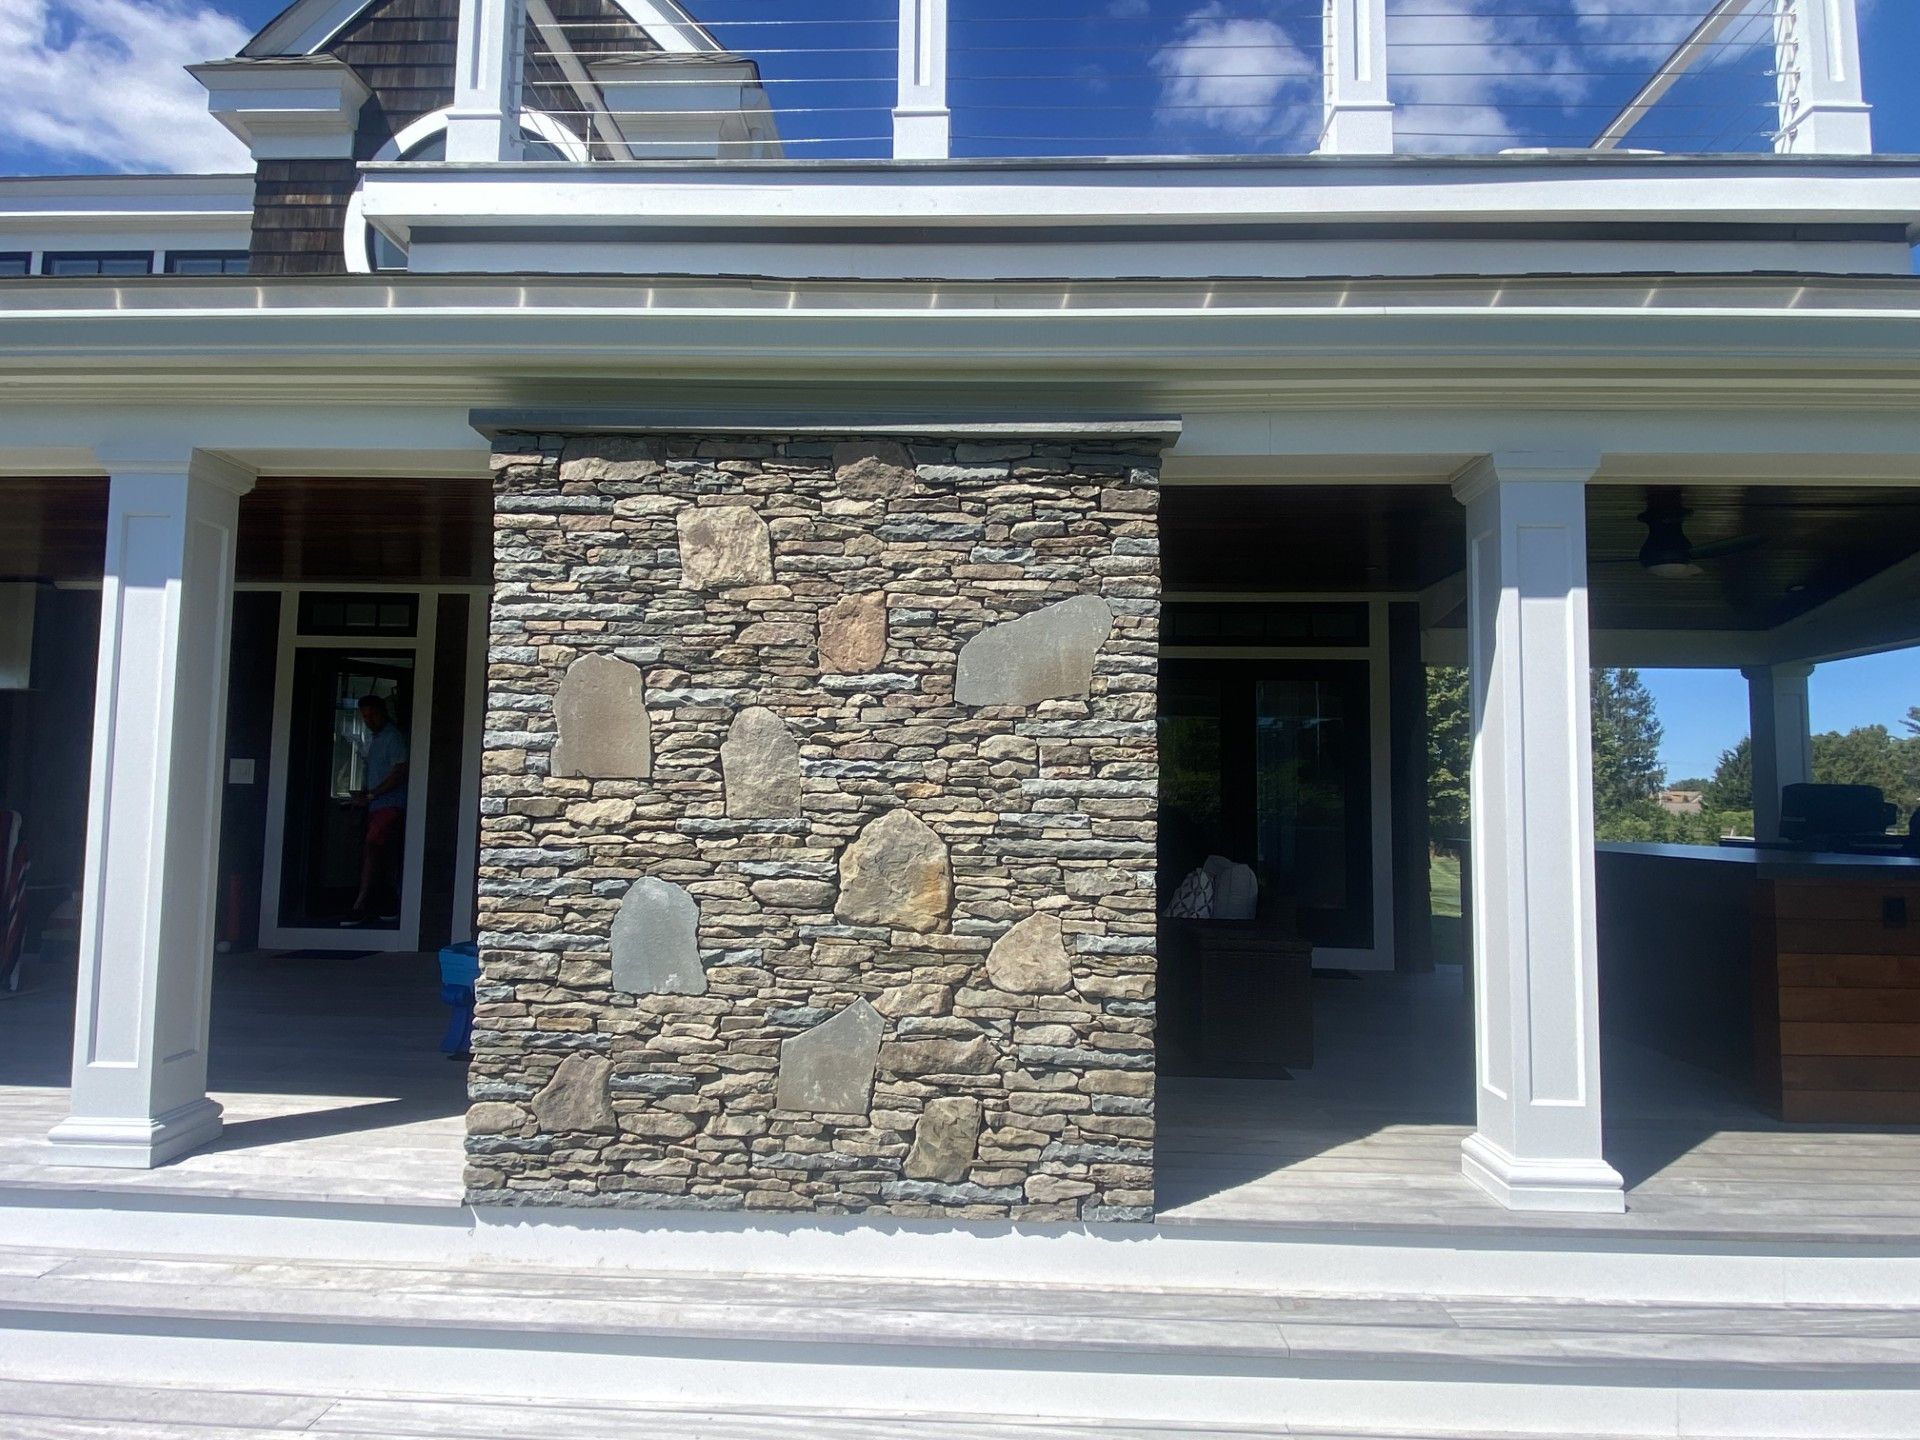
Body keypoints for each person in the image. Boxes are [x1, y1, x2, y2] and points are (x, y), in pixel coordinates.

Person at [348, 694, 408, 924]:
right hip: (375, 805)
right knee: (378, 853)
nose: (368, 720)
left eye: (372, 715)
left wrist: (374, 794)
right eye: (364, 716)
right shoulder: (374, 739)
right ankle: (379, 901)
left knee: (375, 850)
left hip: (390, 806)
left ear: (383, 712)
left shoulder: (393, 737)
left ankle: (362, 903)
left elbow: (399, 771)